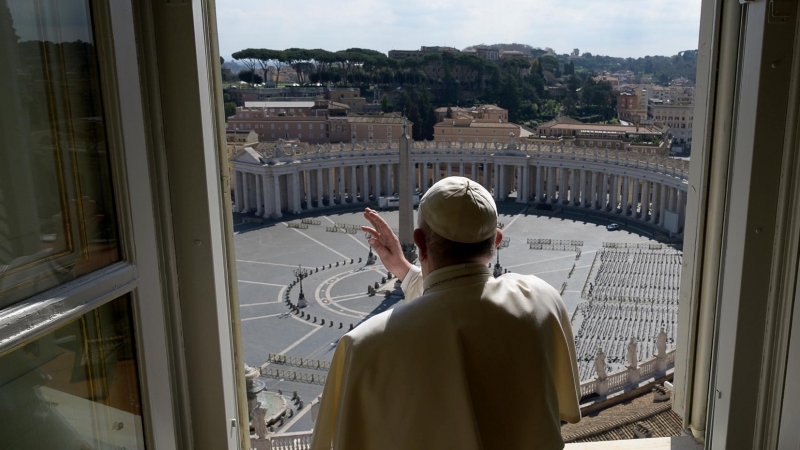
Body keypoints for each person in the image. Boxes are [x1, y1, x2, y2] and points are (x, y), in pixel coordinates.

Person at [311, 177, 581, 450]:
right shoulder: (544, 300)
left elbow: (443, 306)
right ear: (496, 240)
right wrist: (405, 270)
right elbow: (461, 299)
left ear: (419, 242)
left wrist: (409, 270)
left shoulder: (361, 345)